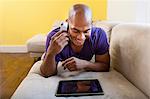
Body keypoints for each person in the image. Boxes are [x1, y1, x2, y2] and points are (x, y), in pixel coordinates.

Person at [40, 4, 110, 77]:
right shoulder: (54, 38)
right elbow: (46, 73)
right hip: (53, 57)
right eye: (75, 31)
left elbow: (105, 66)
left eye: (86, 31)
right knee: (46, 57)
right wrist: (51, 53)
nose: (81, 37)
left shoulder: (98, 35)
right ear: (67, 23)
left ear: (91, 24)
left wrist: (86, 64)